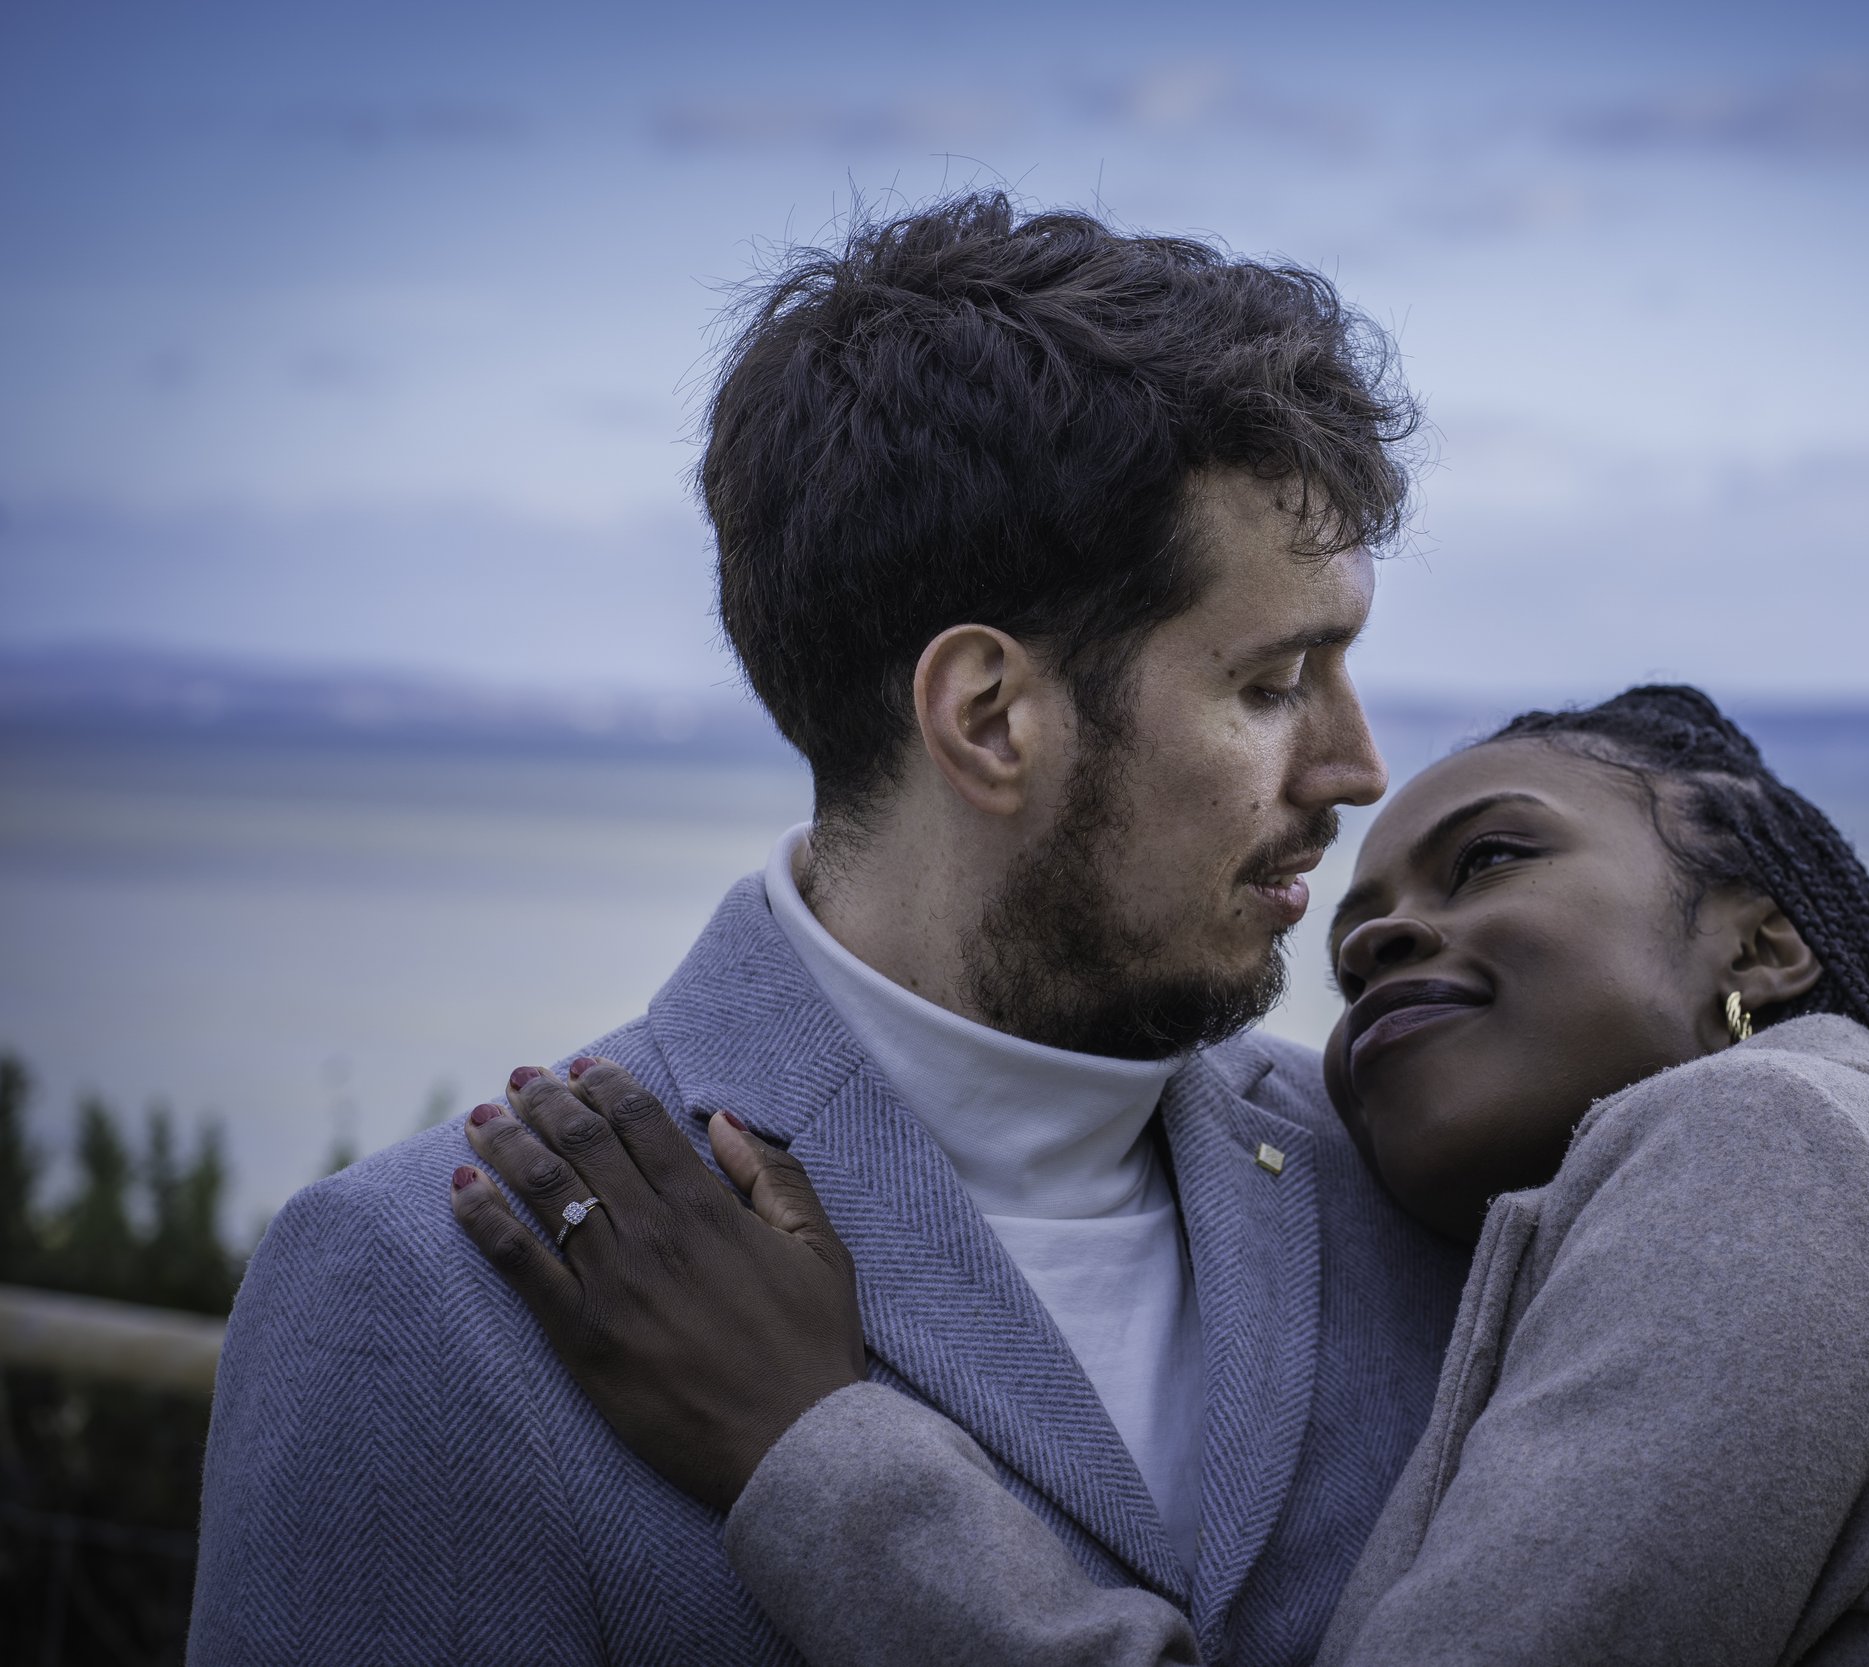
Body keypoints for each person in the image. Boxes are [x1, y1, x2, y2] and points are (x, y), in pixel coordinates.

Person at [458, 686, 1869, 1667]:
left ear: (1761, 944)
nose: (1379, 935)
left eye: (1488, 861)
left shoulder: (1771, 1149)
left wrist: (806, 1440)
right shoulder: (1834, 1187)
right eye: (1355, 921)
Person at [189, 194, 1472, 1667]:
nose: (1356, 770)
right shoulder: (430, 1290)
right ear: (990, 716)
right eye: (1271, 684)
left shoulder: (1399, 1179)